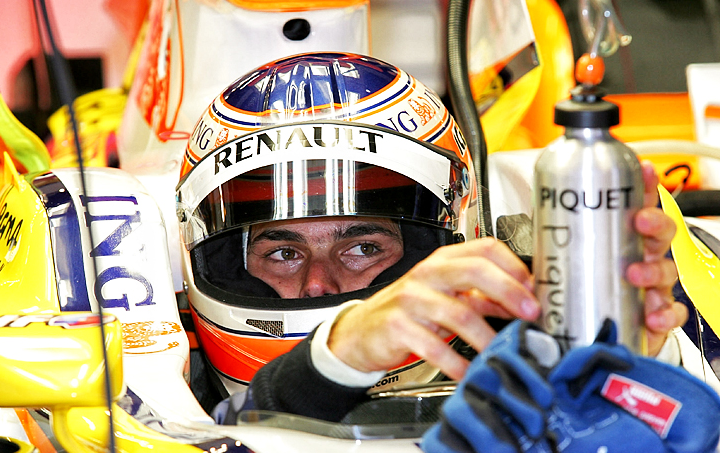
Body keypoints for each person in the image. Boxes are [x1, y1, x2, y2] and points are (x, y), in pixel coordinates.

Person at [175, 52, 690, 423]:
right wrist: (333, 358)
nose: (318, 284)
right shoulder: (163, 372)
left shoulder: (531, 335)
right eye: (285, 253)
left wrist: (630, 364)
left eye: (364, 248)